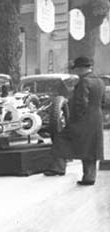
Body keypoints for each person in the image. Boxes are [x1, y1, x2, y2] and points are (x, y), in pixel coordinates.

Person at [45, 56, 105, 185]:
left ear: (81, 68)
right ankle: (89, 177)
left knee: (61, 138)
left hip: (83, 119)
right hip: (96, 118)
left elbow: (81, 103)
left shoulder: (84, 82)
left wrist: (74, 119)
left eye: (76, 69)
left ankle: (58, 168)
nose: (75, 72)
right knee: (91, 148)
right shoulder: (100, 81)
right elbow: (103, 101)